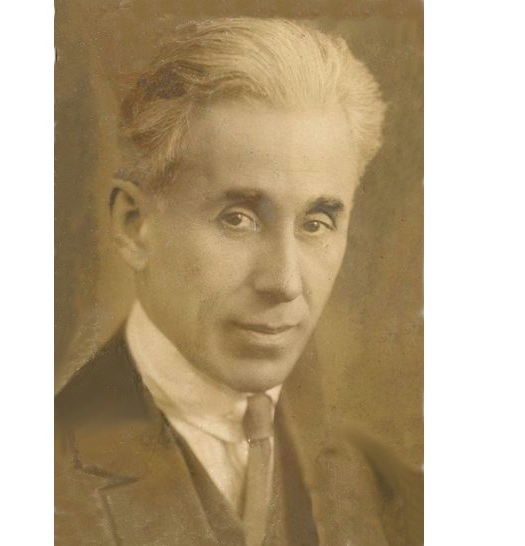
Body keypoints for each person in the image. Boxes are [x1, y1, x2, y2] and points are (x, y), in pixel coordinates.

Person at [55, 17, 422, 545]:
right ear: (135, 226)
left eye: (316, 223)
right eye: (238, 218)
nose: (284, 282)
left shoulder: (389, 492)